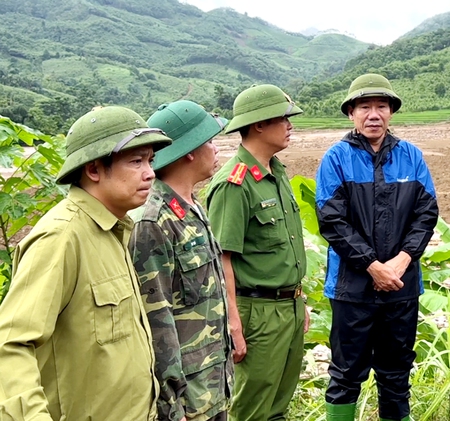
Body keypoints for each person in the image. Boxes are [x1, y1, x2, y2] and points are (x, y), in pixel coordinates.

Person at [0, 106, 172, 420]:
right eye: (136, 161)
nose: (150, 173)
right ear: (94, 170)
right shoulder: (62, 238)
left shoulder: (114, 230)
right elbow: (10, 344)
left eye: (150, 160)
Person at [315, 73, 439, 421]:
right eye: (365, 107)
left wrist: (401, 261)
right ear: (351, 113)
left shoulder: (410, 156)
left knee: (396, 371)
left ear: (391, 112)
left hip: (401, 285)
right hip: (351, 287)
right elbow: (332, 221)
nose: (374, 114)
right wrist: (372, 265)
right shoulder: (336, 158)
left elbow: (426, 213)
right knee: (346, 373)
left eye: (381, 106)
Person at [204, 84, 309, 421]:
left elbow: (285, 249)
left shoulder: (276, 174)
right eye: (283, 119)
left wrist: (300, 299)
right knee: (252, 407)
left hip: (288, 307)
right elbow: (223, 259)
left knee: (278, 402)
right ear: (259, 125)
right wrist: (233, 322)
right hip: (257, 312)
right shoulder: (234, 184)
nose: (290, 126)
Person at [128, 100, 233, 421]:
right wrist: (172, 404)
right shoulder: (153, 222)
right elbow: (155, 318)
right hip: (187, 398)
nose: (216, 149)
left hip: (212, 383)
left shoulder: (191, 206)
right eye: (210, 141)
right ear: (190, 150)